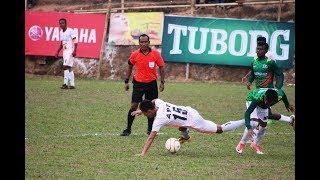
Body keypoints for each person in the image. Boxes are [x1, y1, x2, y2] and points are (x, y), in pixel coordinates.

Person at [133, 99, 246, 156]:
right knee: (181, 126)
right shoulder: (158, 103)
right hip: (189, 110)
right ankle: (186, 137)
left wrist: (143, 153)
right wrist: (140, 111)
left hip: (194, 121)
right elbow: (153, 100)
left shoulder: (159, 119)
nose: (146, 116)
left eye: (145, 113)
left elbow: (151, 138)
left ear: (150, 110)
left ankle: (245, 121)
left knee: (219, 129)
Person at [120, 34, 165, 136]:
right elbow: (129, 67)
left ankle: (150, 130)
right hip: (138, 84)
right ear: (139, 43)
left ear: (149, 43)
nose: (144, 44)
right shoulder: (134, 54)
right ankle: (128, 129)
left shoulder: (155, 54)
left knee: (151, 107)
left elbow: (161, 67)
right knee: (134, 105)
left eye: (146, 42)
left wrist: (162, 82)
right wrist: (126, 81)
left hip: (151, 84)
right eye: (142, 42)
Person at [235, 88, 295, 155]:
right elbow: (247, 113)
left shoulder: (279, 95)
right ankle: (242, 143)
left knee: (263, 127)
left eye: (270, 103)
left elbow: (283, 94)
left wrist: (287, 105)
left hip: (262, 104)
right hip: (251, 99)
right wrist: (249, 128)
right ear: (265, 97)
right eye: (267, 101)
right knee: (253, 123)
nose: (267, 103)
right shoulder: (257, 98)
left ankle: (255, 144)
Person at [242, 40, 285, 125]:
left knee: (261, 115)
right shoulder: (254, 61)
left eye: (261, 49)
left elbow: (280, 74)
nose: (258, 51)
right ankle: (290, 119)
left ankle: (256, 126)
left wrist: (278, 86)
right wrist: (249, 81)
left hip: (267, 90)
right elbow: (253, 73)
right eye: (257, 49)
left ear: (266, 51)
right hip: (258, 90)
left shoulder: (270, 62)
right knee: (265, 114)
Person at [55, 18, 78, 89]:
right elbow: (61, 43)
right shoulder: (61, 32)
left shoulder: (70, 31)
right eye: (60, 23)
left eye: (62, 23)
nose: (61, 25)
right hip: (65, 51)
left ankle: (65, 84)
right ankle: (72, 84)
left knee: (65, 66)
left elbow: (75, 42)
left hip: (70, 51)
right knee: (69, 67)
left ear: (66, 23)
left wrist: (75, 51)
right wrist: (57, 51)